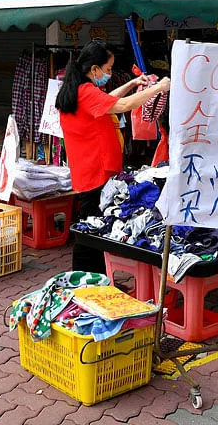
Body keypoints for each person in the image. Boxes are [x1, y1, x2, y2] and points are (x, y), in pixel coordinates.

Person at [55, 40, 171, 274]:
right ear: (94, 69)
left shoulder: (80, 89)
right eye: (108, 69)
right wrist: (158, 88)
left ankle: (97, 277)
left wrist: (133, 83)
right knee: (91, 229)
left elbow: (109, 101)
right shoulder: (86, 92)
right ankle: (84, 279)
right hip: (95, 171)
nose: (109, 74)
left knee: (94, 226)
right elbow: (123, 105)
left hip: (88, 169)